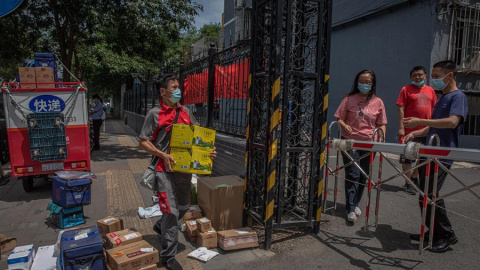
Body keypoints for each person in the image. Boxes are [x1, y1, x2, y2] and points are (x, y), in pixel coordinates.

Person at [138, 73, 217, 270]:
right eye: (173, 88)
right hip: (164, 170)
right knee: (171, 212)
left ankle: (160, 226)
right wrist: (162, 154)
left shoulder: (186, 112)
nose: (178, 91)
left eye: (178, 87)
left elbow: (197, 137)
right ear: (163, 92)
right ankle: (168, 256)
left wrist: (208, 152)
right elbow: (143, 141)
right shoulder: (154, 114)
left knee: (182, 208)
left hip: (184, 171)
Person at [404, 60, 468, 252]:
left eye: (438, 76)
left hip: (442, 154)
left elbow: (451, 122)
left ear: (450, 76)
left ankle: (447, 235)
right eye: (433, 76)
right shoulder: (443, 97)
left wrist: (420, 120)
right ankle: (432, 231)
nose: (434, 80)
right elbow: (433, 125)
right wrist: (416, 132)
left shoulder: (458, 97)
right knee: (424, 194)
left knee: (431, 195)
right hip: (429, 152)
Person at [334, 70, 387, 222]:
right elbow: (339, 118)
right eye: (362, 81)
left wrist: (381, 139)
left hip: (369, 143)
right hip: (350, 142)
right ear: (357, 82)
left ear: (373, 84)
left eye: (368, 82)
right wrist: (344, 126)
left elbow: (382, 123)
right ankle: (350, 208)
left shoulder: (378, 102)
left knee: (363, 174)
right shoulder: (348, 99)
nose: (365, 84)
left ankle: (356, 202)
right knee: (352, 173)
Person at [396, 66, 437, 195]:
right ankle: (408, 183)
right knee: (408, 158)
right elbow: (400, 109)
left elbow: (434, 108)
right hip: (409, 130)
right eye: (414, 75)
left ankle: (414, 176)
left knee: (423, 158)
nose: (417, 77)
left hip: (426, 130)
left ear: (425, 75)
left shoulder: (431, 91)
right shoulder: (405, 89)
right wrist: (401, 128)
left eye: (420, 75)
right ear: (411, 78)